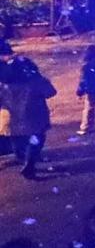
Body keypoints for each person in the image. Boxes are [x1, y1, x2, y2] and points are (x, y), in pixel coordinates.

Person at [6, 45, 55, 177]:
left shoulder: (5, 84)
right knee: (36, 139)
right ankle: (29, 164)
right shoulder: (34, 81)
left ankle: (23, 159)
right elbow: (50, 92)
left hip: (14, 117)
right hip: (35, 115)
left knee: (18, 140)